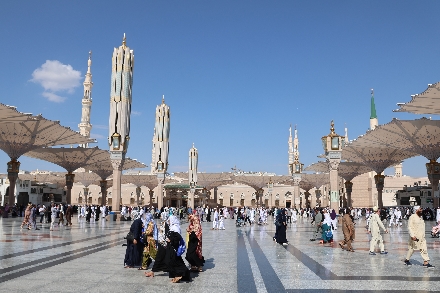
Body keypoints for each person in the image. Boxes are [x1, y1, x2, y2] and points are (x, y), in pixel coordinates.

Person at [165, 215, 191, 283]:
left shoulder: (175, 228)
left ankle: (179, 275)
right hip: (171, 247)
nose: (169, 221)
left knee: (175, 261)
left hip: (174, 248)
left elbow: (177, 238)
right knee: (175, 261)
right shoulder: (172, 227)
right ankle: (178, 274)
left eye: (170, 220)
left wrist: (171, 241)